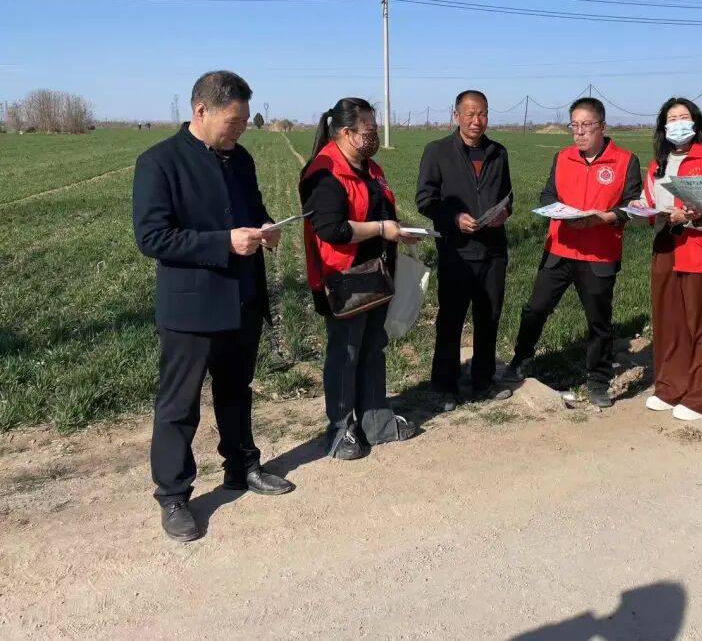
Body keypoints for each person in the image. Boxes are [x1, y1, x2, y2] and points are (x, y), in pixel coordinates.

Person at [133, 70, 295, 543]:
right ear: (201, 111)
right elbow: (153, 237)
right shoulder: (160, 162)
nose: (241, 129)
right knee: (179, 405)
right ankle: (173, 495)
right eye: (233, 121)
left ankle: (242, 467)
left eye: (245, 121)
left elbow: (253, 208)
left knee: (237, 391)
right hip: (191, 309)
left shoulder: (240, 159)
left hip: (242, 298)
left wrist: (266, 227)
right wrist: (224, 241)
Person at [300, 98, 419, 460]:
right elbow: (332, 229)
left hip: (375, 274)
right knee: (346, 353)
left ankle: (376, 422)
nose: (375, 134)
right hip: (342, 279)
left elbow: (381, 211)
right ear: (346, 132)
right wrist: (382, 229)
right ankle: (340, 430)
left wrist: (398, 232)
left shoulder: (371, 168)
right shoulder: (324, 172)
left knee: (372, 348)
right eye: (369, 128)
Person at [505, 97, 643, 408]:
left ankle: (598, 379)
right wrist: (560, 212)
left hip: (599, 253)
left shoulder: (625, 161)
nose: (579, 133)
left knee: (598, 320)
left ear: (602, 127)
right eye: (574, 126)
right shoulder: (562, 157)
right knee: (536, 308)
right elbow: (547, 194)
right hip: (560, 247)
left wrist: (602, 218)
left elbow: (632, 205)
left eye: (586, 126)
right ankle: (521, 359)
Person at [416, 90, 514, 412]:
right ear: (456, 115)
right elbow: (425, 200)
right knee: (451, 319)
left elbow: (508, 196)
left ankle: (483, 380)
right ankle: (444, 384)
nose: (476, 121)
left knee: (490, 317)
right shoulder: (438, 151)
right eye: (470, 114)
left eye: (482, 113)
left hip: (493, 251)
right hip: (456, 252)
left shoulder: (498, 153)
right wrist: (455, 218)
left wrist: (503, 213)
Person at [630, 97, 702, 421]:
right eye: (672, 119)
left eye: (684, 117)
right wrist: (640, 207)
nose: (678, 124)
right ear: (663, 127)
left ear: (695, 123)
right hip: (665, 245)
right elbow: (648, 200)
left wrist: (694, 214)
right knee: (669, 321)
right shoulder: (657, 164)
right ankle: (671, 387)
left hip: (699, 247)